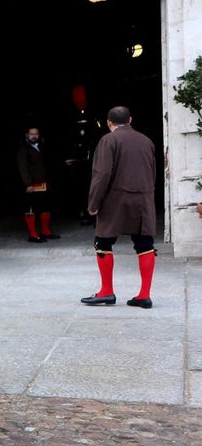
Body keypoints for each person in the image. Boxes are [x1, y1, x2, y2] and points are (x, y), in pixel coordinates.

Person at [80, 106, 157, 309]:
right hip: (142, 199)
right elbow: (153, 171)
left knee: (103, 242)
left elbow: (102, 174)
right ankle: (144, 295)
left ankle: (106, 291)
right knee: (145, 245)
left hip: (115, 200)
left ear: (108, 122)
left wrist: (93, 203)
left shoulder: (108, 140)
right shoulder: (146, 141)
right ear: (130, 119)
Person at [17, 126, 61, 243]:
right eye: (32, 134)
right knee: (31, 209)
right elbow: (23, 168)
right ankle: (32, 235)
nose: (34, 136)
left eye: (36, 134)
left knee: (45, 207)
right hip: (31, 185)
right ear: (27, 135)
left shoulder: (41, 146)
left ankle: (45, 231)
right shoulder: (23, 148)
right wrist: (28, 184)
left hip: (43, 184)